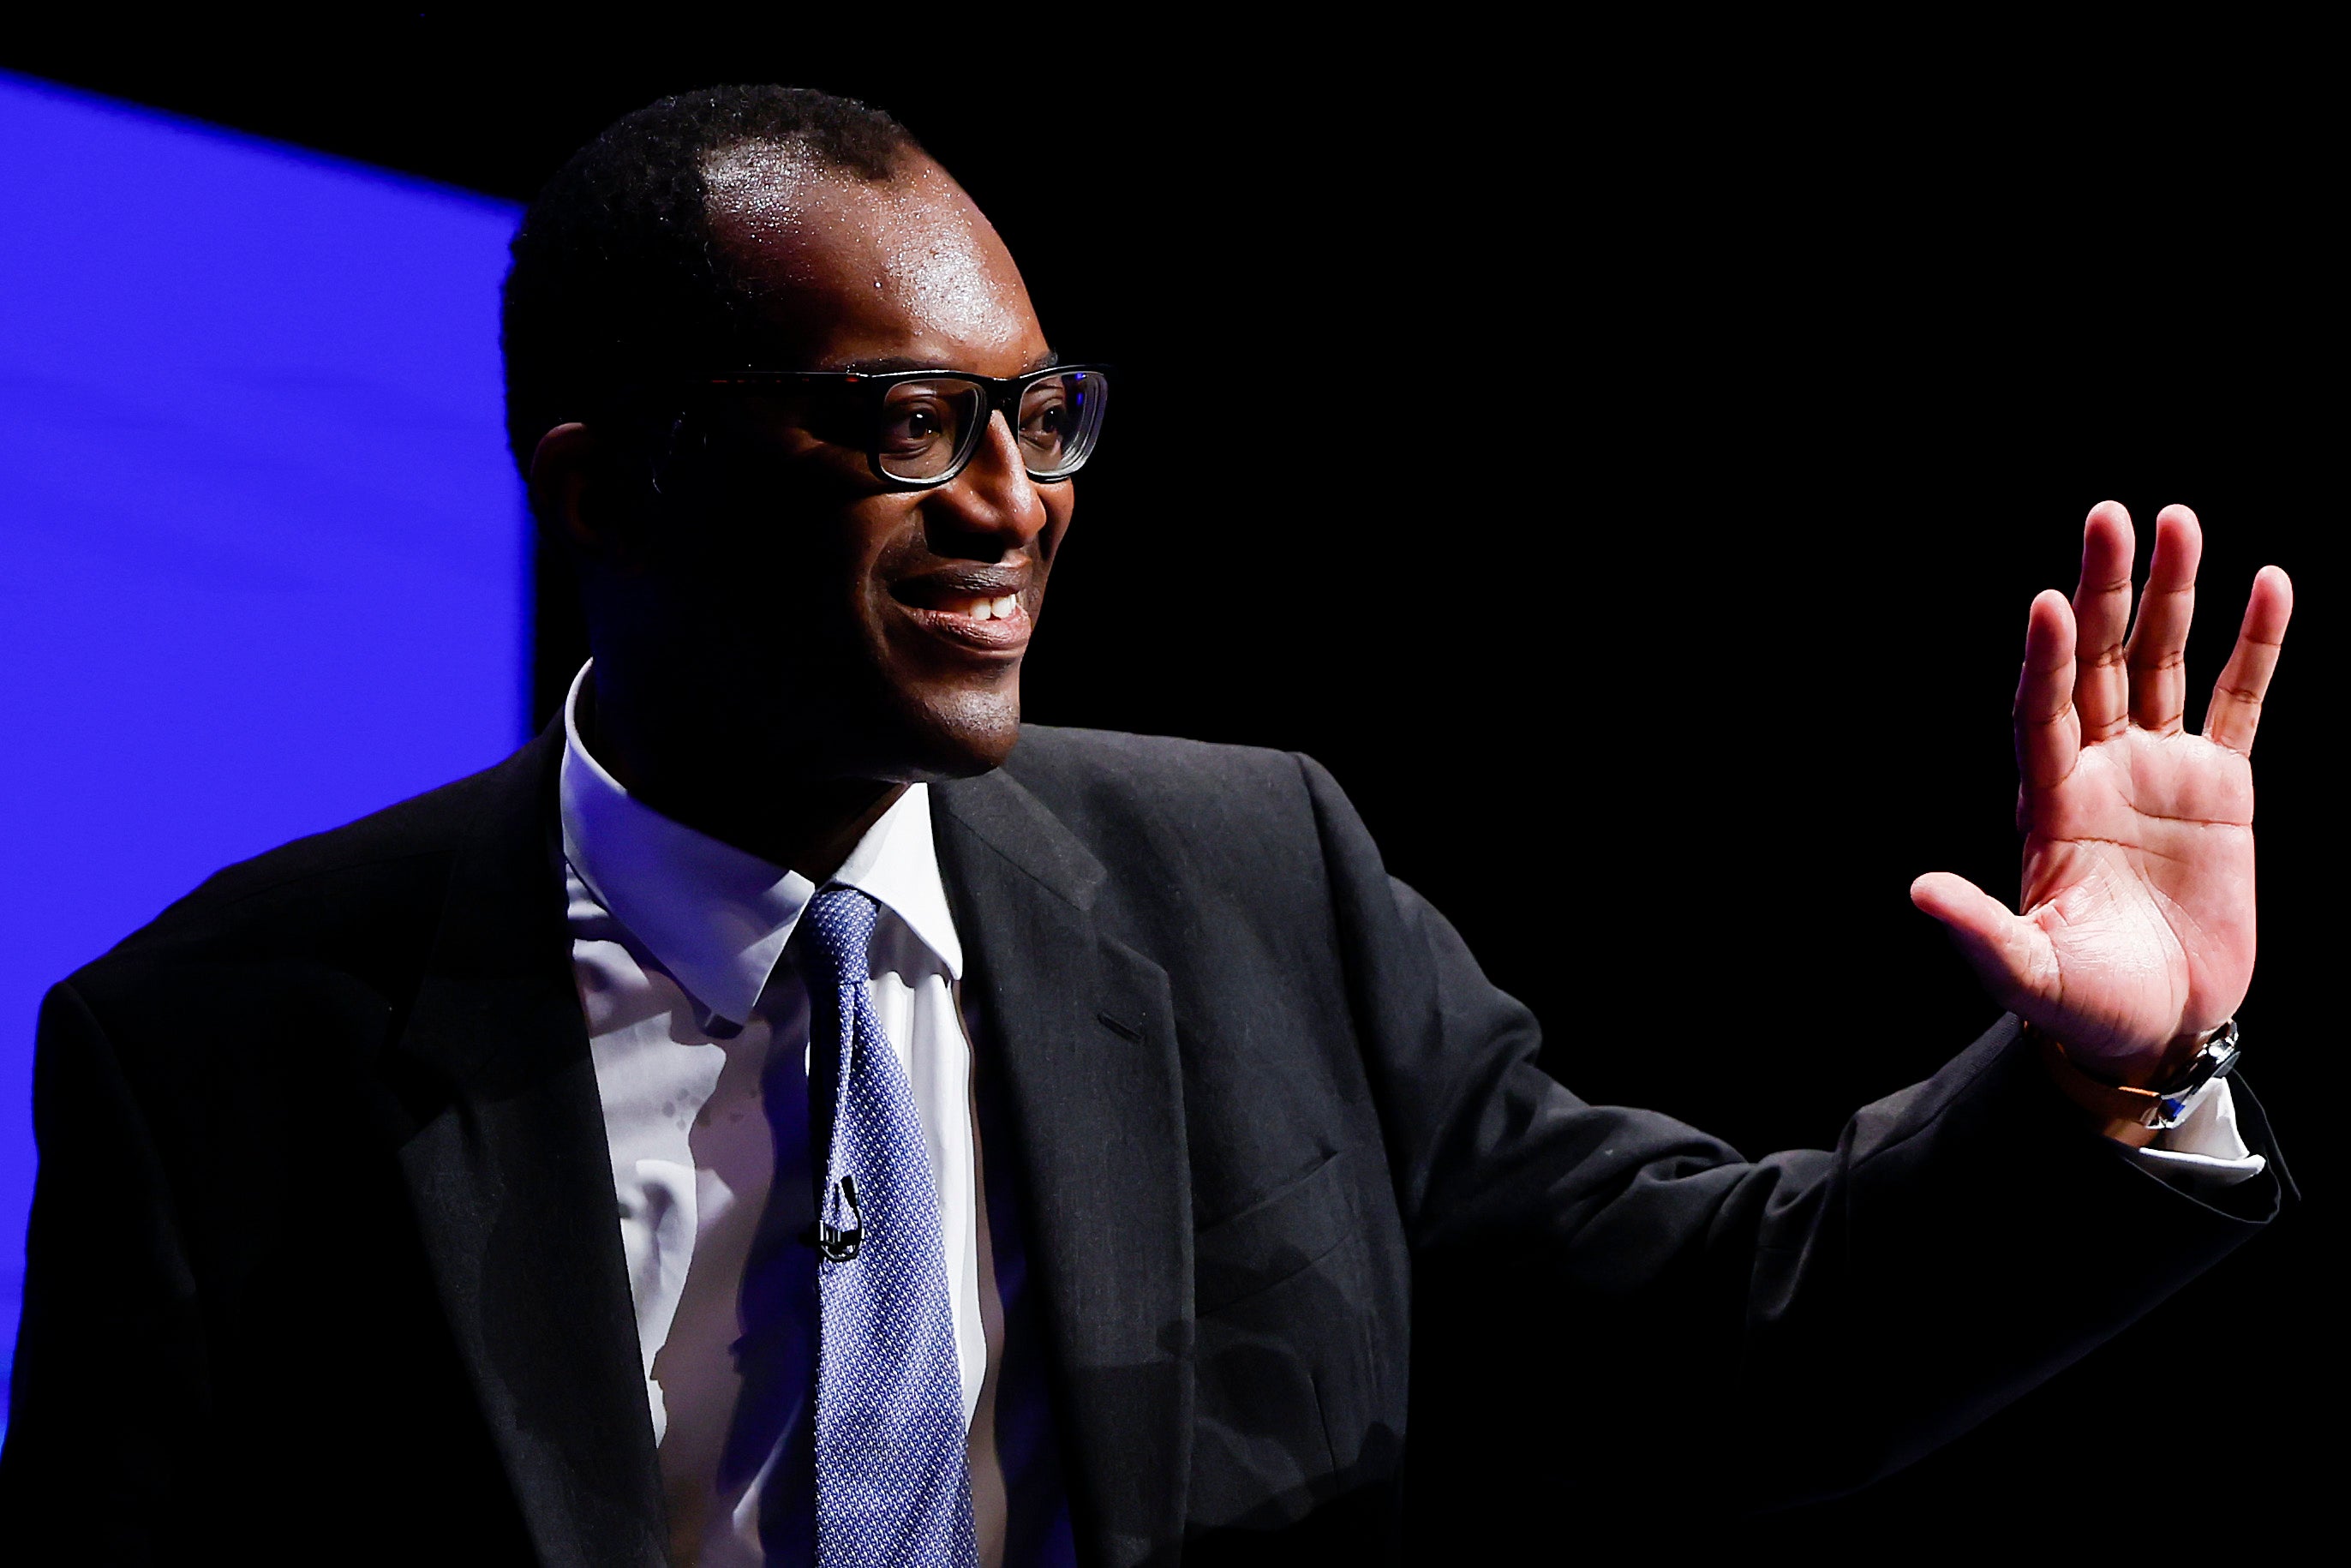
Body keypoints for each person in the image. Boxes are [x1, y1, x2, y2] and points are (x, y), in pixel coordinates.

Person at [0, 86, 2294, 1565]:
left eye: (1039, 414)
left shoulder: (1255, 879)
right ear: (611, 482)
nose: (1013, 508)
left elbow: (1739, 1348)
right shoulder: (217, 1048)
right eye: (902, 422)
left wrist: (2118, 1076)